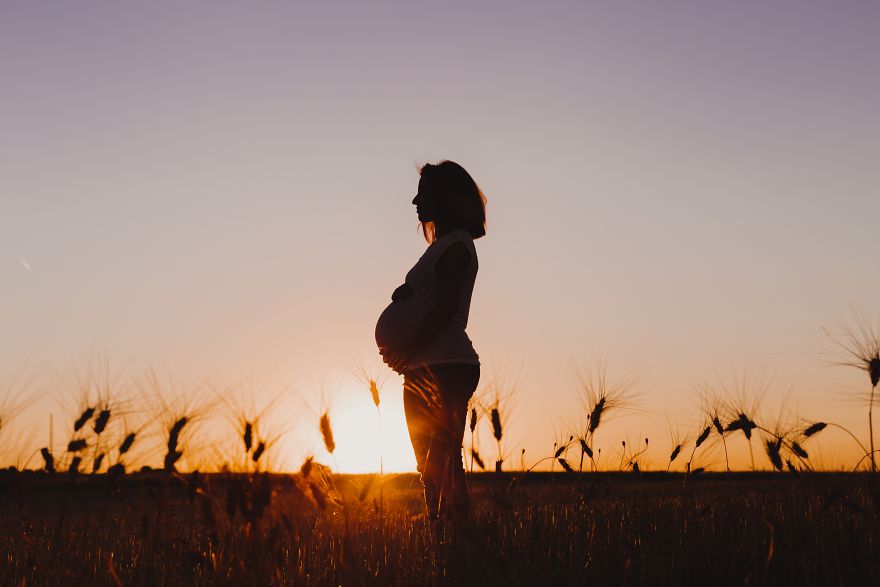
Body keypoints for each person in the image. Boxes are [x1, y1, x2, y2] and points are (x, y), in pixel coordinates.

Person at [374, 160, 486, 520]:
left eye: (423, 194)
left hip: (445, 365)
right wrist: (407, 294)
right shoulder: (442, 247)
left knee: (444, 465)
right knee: (432, 468)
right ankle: (445, 544)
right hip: (427, 366)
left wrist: (405, 348)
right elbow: (432, 299)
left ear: (445, 197)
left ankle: (454, 543)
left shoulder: (456, 245)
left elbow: (445, 310)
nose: (414, 202)